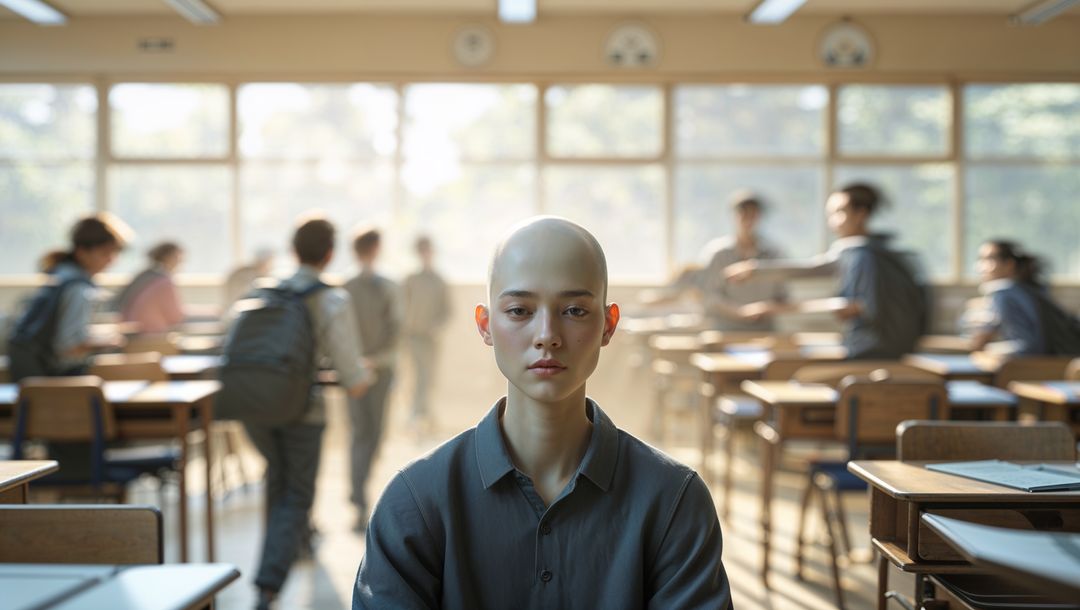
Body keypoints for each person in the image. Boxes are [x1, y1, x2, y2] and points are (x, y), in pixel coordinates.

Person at [353, 217, 732, 609]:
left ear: (609, 324)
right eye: (519, 310)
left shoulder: (673, 500)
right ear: (485, 325)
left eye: (575, 310)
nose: (547, 334)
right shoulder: (415, 502)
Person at [247, 216, 373, 610]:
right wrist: (363, 374)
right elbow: (352, 377)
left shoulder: (266, 290)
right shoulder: (330, 297)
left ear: (293, 249)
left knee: (277, 483)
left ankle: (294, 545)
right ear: (330, 254)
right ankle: (268, 586)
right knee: (297, 494)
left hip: (255, 406)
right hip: (303, 410)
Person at [726, 183, 926, 359]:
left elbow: (851, 306)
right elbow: (817, 267)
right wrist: (756, 270)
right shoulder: (873, 251)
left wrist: (775, 308)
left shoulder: (864, 256)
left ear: (861, 214)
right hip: (891, 349)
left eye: (839, 212)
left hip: (873, 352)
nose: (832, 222)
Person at [7, 214, 130, 382]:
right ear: (82, 251)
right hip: (53, 380)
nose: (111, 260)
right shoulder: (79, 288)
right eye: (105, 253)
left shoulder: (61, 275)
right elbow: (68, 346)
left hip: (29, 376)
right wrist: (106, 343)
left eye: (114, 253)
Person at [343, 227, 400, 532]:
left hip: (355, 370)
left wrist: (355, 362)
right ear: (376, 248)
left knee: (362, 435)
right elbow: (397, 330)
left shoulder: (344, 287)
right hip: (375, 371)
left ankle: (358, 497)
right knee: (370, 435)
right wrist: (374, 361)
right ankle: (359, 499)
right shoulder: (383, 286)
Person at [965, 239, 1080, 356]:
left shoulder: (1005, 294)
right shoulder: (1026, 290)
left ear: (1009, 264)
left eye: (988, 259)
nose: (980, 267)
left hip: (1052, 365)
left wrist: (988, 351)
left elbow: (1028, 347)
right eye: (980, 260)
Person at [699, 191, 788, 331]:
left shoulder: (774, 253)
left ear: (759, 217)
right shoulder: (718, 253)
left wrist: (763, 309)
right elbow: (709, 296)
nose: (748, 219)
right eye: (743, 213)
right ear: (734, 216)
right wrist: (740, 312)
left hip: (763, 330)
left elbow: (783, 296)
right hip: (725, 330)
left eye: (753, 214)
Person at [401, 235, 451, 432]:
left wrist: (436, 327)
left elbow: (447, 311)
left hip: (431, 339)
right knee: (417, 377)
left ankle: (421, 416)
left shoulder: (439, 280)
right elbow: (401, 307)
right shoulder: (410, 280)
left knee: (428, 378)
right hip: (412, 337)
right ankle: (418, 416)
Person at [114, 241, 186, 334]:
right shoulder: (164, 281)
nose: (181, 262)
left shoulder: (144, 276)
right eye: (178, 258)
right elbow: (176, 317)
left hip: (129, 333)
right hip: (150, 336)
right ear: (168, 257)